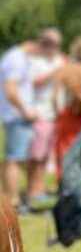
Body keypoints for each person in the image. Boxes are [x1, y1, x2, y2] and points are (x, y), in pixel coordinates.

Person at [0, 30, 59, 209]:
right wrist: (25, 110)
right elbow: (10, 90)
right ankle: (13, 201)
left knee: (17, 158)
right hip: (17, 116)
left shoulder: (20, 57)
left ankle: (12, 198)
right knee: (14, 159)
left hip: (19, 115)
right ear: (42, 46)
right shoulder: (16, 59)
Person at [26, 28, 65, 208]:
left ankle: (39, 190)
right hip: (39, 112)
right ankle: (32, 191)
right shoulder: (35, 62)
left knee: (44, 156)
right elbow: (34, 82)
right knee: (35, 156)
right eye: (49, 43)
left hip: (53, 113)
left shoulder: (59, 60)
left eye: (56, 44)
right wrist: (54, 73)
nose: (53, 47)